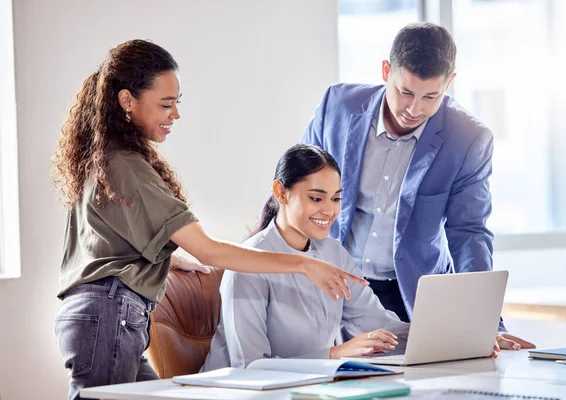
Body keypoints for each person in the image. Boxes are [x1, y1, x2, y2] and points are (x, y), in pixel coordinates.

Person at [51, 40, 366, 400]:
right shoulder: (127, 168)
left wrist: (167, 255)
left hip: (103, 316)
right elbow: (211, 251)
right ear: (127, 101)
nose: (175, 115)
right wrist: (303, 265)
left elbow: (106, 242)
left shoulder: (108, 160)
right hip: (109, 318)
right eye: (166, 104)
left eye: (177, 104)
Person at [300, 22, 534, 349]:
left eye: (431, 96)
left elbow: (469, 232)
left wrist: (483, 322)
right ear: (386, 71)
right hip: (334, 284)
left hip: (410, 293)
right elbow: (294, 192)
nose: (415, 109)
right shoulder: (338, 106)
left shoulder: (468, 138)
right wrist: (264, 260)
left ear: (449, 84)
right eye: (405, 92)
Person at [201, 144, 501, 371]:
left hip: (308, 388)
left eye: (336, 198)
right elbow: (250, 367)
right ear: (281, 192)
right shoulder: (249, 263)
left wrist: (466, 338)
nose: (329, 211)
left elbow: (384, 328)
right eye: (316, 198)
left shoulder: (333, 253)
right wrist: (336, 354)